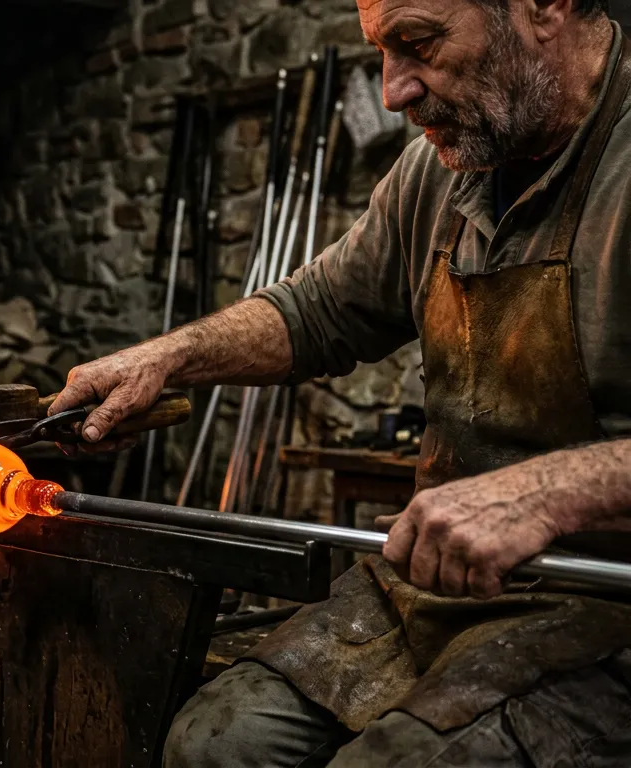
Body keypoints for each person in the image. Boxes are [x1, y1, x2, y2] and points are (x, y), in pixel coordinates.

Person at [49, 0, 631, 764]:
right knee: (214, 747)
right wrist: (168, 357)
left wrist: (548, 491)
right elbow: (317, 310)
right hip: (435, 590)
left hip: (606, 604)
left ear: (545, 6)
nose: (393, 92)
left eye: (418, 44)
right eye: (381, 52)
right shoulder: (443, 169)